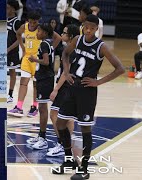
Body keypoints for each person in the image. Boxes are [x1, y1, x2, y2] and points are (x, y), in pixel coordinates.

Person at [52, 14, 125, 179]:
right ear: (83, 26)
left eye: (92, 28)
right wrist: (66, 71)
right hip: (72, 88)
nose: (89, 31)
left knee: (85, 128)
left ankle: (84, 169)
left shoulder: (101, 46)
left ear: (96, 29)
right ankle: (69, 159)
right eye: (87, 27)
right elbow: (65, 54)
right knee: (60, 122)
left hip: (87, 92)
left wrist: (98, 82)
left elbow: (120, 69)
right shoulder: (77, 39)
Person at [8, 12, 62, 117]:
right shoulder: (25, 26)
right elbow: (18, 34)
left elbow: (58, 38)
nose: (32, 24)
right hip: (27, 58)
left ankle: (34, 107)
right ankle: (19, 107)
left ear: (39, 20)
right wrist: (23, 48)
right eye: (31, 22)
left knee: (36, 84)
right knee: (23, 82)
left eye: (35, 22)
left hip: (37, 60)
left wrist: (50, 49)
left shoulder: (42, 29)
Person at [47, 24, 80, 157]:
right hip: (70, 86)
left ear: (71, 36)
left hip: (66, 86)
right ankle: (66, 144)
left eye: (65, 32)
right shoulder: (70, 48)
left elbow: (65, 73)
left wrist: (55, 89)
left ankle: (62, 144)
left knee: (54, 114)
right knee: (69, 118)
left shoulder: (71, 50)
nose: (62, 34)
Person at [25, 23, 55, 149]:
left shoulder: (44, 44)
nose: (37, 33)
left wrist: (34, 60)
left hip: (45, 79)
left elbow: (46, 62)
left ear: (45, 33)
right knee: (42, 108)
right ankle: (41, 135)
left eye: (39, 31)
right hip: (44, 78)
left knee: (43, 109)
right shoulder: (48, 43)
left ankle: (43, 138)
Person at [7, 0, 22, 103]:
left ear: (13, 9)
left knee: (12, 72)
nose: (5, 10)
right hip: (3, 51)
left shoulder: (17, 22)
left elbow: (19, 40)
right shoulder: (5, 20)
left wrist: (9, 48)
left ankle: (10, 95)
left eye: (7, 8)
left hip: (12, 52)